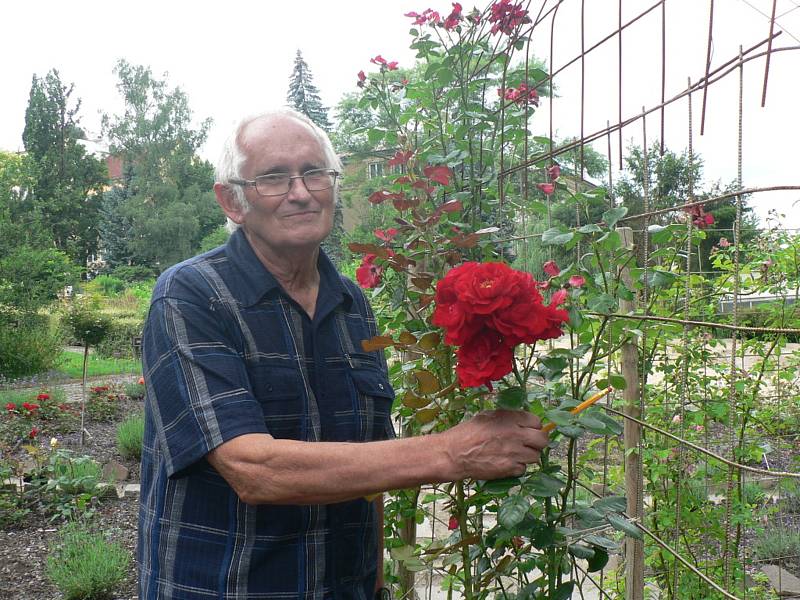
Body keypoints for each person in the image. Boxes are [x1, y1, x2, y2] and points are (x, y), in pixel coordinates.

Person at [138, 108, 549, 600]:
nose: (300, 192)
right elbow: (254, 470)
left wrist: (375, 583)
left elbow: (368, 459)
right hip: (227, 588)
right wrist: (451, 451)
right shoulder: (190, 296)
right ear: (232, 201)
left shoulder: (352, 304)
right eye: (273, 177)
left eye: (315, 172)